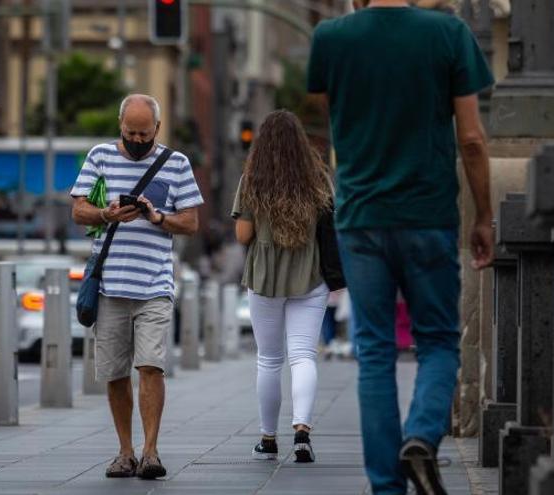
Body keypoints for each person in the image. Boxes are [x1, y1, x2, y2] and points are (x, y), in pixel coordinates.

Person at [308, 1, 494, 494]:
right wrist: (484, 215)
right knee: (437, 342)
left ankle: (386, 488)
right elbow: (472, 139)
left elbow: (342, 121)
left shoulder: (331, 39)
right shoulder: (449, 34)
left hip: (360, 217)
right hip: (427, 214)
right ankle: (422, 436)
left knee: (374, 352)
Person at [71, 94, 203, 480]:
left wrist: (157, 216)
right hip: (110, 284)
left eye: (144, 134)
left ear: (157, 130)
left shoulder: (176, 164)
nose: (136, 140)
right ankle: (124, 452)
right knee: (114, 373)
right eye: (130, 132)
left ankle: (151, 452)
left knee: (150, 366)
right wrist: (105, 213)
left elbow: (191, 222)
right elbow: (78, 210)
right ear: (120, 125)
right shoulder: (99, 157)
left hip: (154, 283)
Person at [232, 110, 333, 464]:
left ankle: (268, 438)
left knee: (269, 359)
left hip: (265, 277)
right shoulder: (318, 179)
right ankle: (302, 432)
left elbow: (243, 234)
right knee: (304, 354)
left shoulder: (252, 180)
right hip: (310, 275)